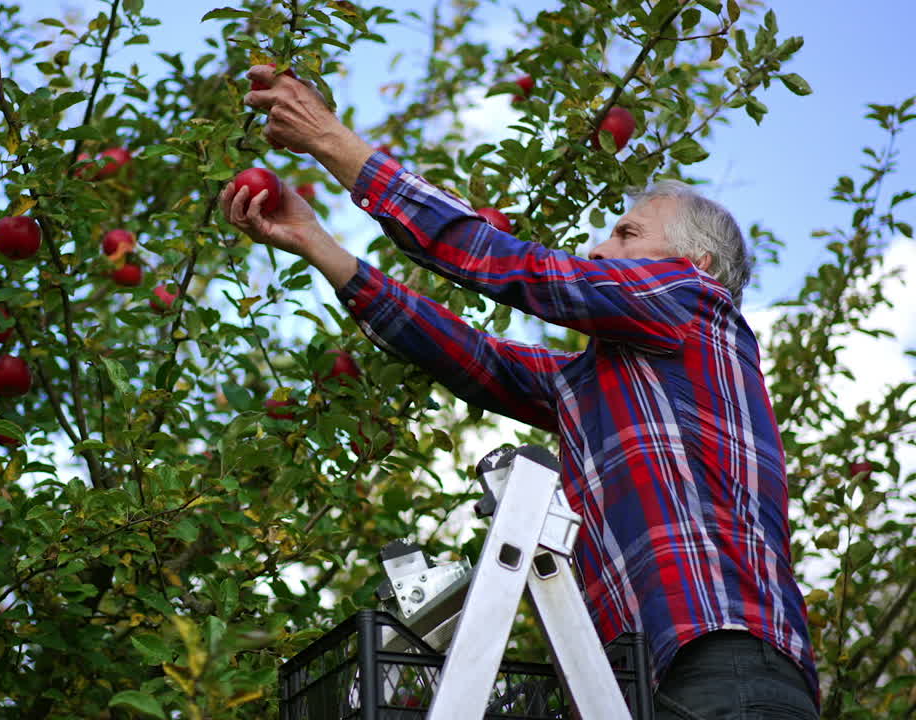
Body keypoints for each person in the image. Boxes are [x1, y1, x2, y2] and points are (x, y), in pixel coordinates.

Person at [226, 64, 820, 719]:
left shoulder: (691, 304)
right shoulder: (595, 382)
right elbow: (474, 359)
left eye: (625, 233)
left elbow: (513, 266)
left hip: (725, 663)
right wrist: (319, 244)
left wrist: (331, 141)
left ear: (692, 263)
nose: (597, 248)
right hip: (643, 688)